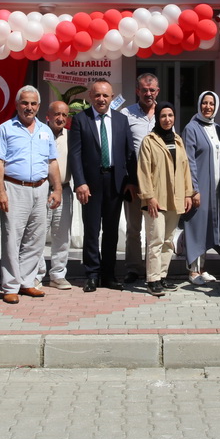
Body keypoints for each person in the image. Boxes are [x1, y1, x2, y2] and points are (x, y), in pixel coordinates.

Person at [0, 86, 62, 304]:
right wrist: (0, 191)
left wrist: (57, 188)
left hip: (41, 188)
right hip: (14, 188)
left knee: (36, 238)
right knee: (12, 238)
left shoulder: (45, 131)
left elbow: (52, 162)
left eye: (33, 104)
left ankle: (27, 282)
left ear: (39, 107)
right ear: (17, 104)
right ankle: (10, 285)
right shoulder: (6, 128)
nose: (29, 107)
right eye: (24, 103)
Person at [68, 78, 136, 292]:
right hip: (91, 183)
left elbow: (129, 153)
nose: (101, 99)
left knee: (111, 231)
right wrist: (80, 182)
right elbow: (75, 154)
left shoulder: (120, 120)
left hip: (115, 183)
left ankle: (108, 274)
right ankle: (92, 274)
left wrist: (131, 181)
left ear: (112, 97)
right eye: (97, 95)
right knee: (91, 230)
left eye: (105, 95)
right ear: (90, 97)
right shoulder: (81, 120)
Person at [137, 102, 194, 296]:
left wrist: (188, 193)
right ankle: (152, 279)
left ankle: (162, 276)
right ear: (157, 118)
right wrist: (149, 197)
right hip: (156, 199)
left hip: (175, 197)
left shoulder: (178, 140)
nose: (167, 119)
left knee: (169, 240)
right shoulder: (149, 141)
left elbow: (185, 169)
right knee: (156, 239)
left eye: (170, 115)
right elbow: (143, 170)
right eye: (163, 116)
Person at [122, 73, 160, 283]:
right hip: (135, 183)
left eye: (152, 90)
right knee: (134, 228)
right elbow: (124, 150)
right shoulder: (127, 114)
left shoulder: (164, 113)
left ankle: (153, 269)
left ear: (157, 92)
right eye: (144, 90)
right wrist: (129, 180)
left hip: (158, 184)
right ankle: (134, 268)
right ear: (137, 91)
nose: (148, 94)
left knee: (155, 228)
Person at [182, 91, 220, 285]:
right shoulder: (191, 128)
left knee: (207, 229)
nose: (208, 107)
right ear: (199, 105)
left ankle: (202, 268)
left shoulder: (218, 128)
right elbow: (189, 161)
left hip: (216, 188)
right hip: (201, 187)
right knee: (196, 227)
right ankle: (192, 271)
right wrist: (193, 189)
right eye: (204, 103)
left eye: (211, 103)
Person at [43, 100, 74, 289]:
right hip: (41, 189)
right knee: (37, 235)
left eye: (64, 115)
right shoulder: (39, 133)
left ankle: (57, 274)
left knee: (62, 235)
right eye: (57, 114)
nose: (60, 118)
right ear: (48, 115)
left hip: (64, 189)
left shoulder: (71, 137)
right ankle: (36, 275)